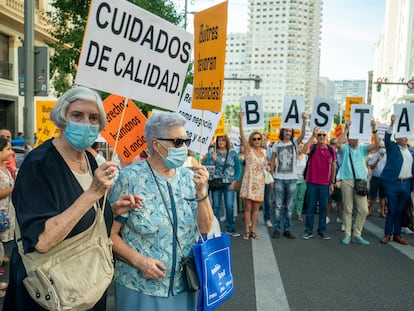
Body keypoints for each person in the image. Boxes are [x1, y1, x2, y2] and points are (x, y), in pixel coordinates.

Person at [3, 86, 143, 310]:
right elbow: (42, 240)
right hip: (48, 293)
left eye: (93, 117)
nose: (86, 122)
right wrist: (94, 193)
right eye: (77, 115)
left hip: (85, 286)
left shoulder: (89, 160)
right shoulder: (38, 164)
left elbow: (83, 215)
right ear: (62, 119)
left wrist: (113, 209)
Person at [108, 111, 214, 311]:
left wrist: (202, 192)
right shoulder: (131, 178)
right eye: (177, 142)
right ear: (156, 145)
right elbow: (110, 234)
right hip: (140, 286)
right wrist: (140, 262)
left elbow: (205, 227)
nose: (183, 147)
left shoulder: (189, 178)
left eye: (185, 141)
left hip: (185, 284)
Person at [336, 119, 380, 245]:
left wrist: (374, 129)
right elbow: (338, 143)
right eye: (352, 138)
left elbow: (377, 144)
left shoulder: (363, 149)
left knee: (364, 210)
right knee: (348, 209)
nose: (354, 140)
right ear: (348, 139)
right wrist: (346, 129)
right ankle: (348, 235)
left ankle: (357, 234)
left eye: (356, 138)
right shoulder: (345, 148)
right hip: (347, 180)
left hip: (360, 181)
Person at [270, 113, 307, 239]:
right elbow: (272, 161)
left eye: (290, 131)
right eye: (286, 130)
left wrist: (304, 121)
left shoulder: (295, 144)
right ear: (282, 131)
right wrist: (271, 177)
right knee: (278, 206)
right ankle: (276, 229)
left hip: (292, 179)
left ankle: (287, 229)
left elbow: (302, 135)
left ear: (292, 133)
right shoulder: (276, 145)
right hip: (279, 178)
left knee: (289, 206)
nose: (287, 132)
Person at [379, 114, 414, 245]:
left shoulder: (411, 152)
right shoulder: (392, 147)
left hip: (407, 183)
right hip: (394, 183)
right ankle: (388, 234)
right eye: (402, 136)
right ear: (397, 138)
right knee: (392, 210)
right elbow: (386, 139)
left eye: (406, 136)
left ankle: (397, 234)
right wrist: (392, 123)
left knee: (400, 211)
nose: (405, 138)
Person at [302, 128, 336, 240]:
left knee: (323, 209)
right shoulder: (313, 147)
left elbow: (333, 167)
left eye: (323, 135)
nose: (321, 137)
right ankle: (308, 231)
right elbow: (303, 151)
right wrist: (312, 136)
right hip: (312, 182)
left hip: (325, 184)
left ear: (327, 137)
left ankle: (322, 231)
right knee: (310, 208)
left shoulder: (331, 149)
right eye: (319, 135)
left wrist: (332, 182)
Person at [205, 134, 241, 237]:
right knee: (215, 206)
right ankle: (217, 230)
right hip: (216, 182)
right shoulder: (212, 152)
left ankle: (230, 228)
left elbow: (238, 168)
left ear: (227, 142)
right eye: (219, 141)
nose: (221, 142)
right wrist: (212, 160)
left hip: (229, 182)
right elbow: (207, 168)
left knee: (229, 205)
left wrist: (235, 181)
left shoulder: (233, 152)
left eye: (223, 141)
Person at [238, 110, 266, 241]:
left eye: (258, 138)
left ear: (261, 140)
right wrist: (240, 121)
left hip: (260, 183)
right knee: (248, 209)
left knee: (256, 209)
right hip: (249, 183)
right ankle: (247, 231)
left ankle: (253, 231)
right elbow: (242, 136)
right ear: (251, 140)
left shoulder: (265, 152)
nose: (256, 140)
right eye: (254, 139)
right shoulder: (248, 150)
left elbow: (265, 167)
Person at [0, 137, 14, 297]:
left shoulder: (5, 167)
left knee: (6, 252)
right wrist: (12, 189)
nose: (11, 152)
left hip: (7, 216)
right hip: (1, 216)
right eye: (8, 149)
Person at [293, 142, 307, 222]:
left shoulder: (306, 157)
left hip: (303, 180)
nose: (300, 148)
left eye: (302, 146)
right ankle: (289, 212)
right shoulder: (293, 157)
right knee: (293, 198)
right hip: (294, 180)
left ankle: (299, 213)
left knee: (301, 198)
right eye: (299, 146)